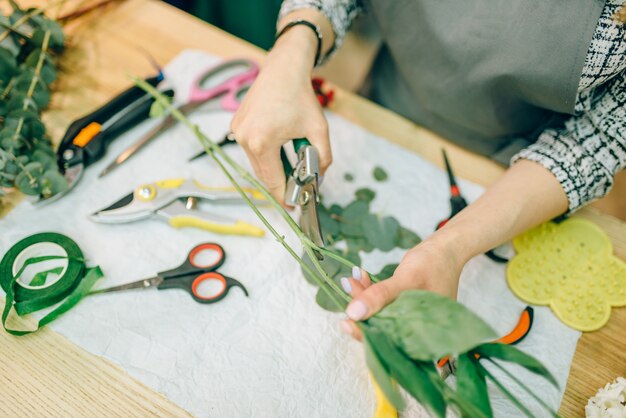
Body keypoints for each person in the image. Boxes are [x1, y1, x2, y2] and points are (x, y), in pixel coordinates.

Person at [230, 0, 626, 339]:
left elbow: (597, 143)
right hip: (384, 108)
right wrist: (294, 46)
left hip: (511, 172)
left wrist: (449, 250)